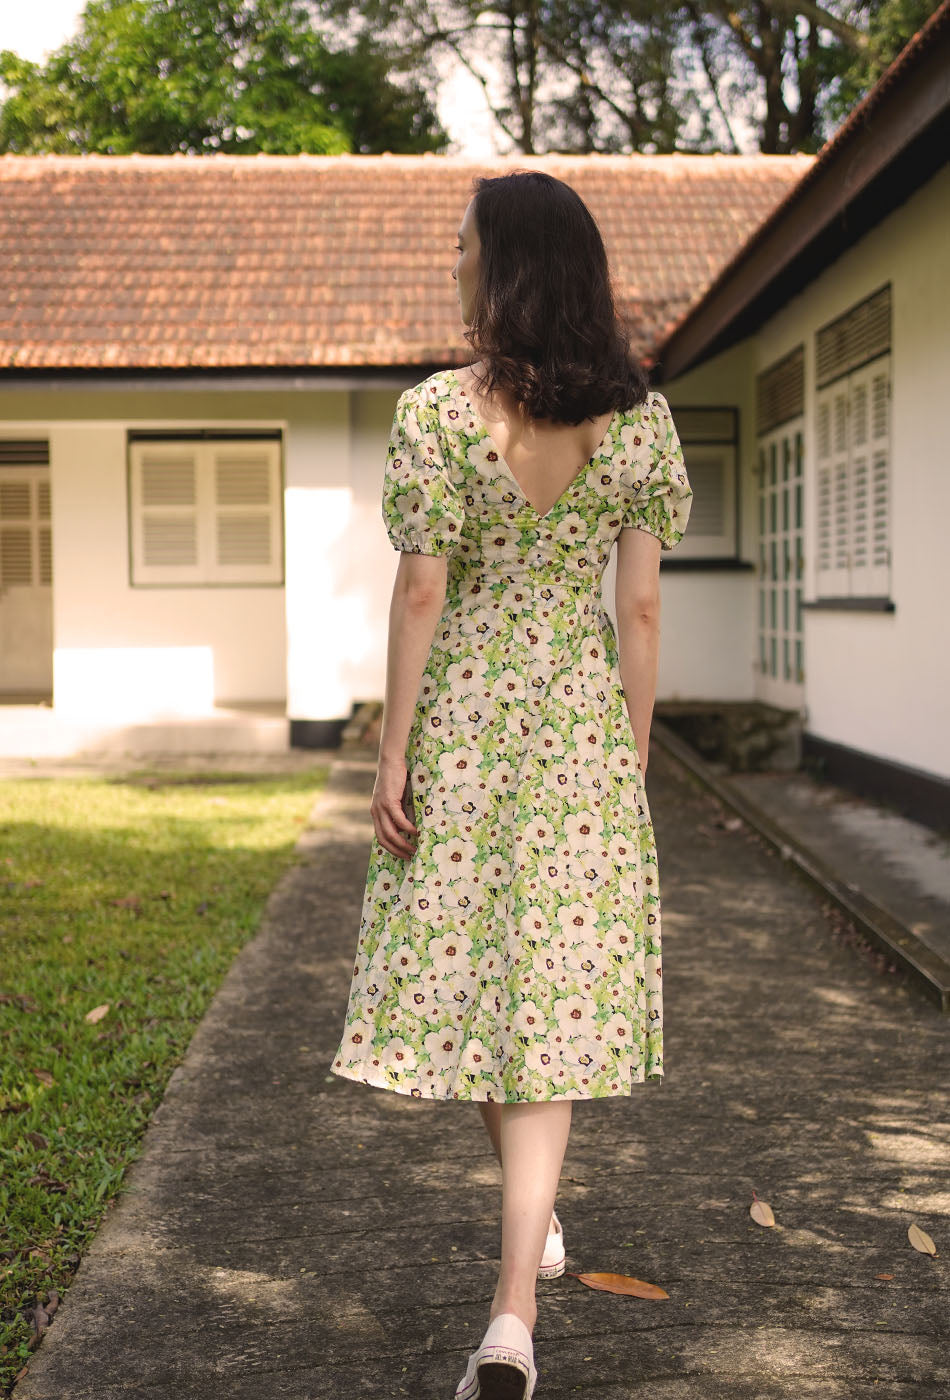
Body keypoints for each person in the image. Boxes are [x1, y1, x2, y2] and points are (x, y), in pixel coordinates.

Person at [330, 169, 692, 1400]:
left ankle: (510, 1310)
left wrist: (392, 745)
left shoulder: (437, 413)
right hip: (578, 719)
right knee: (537, 985)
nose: (452, 259)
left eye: (464, 241)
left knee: (478, 971)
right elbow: (635, 603)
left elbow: (423, 591)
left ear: (507, 265)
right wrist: (631, 745)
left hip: (467, 717)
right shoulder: (637, 420)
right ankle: (530, 1231)